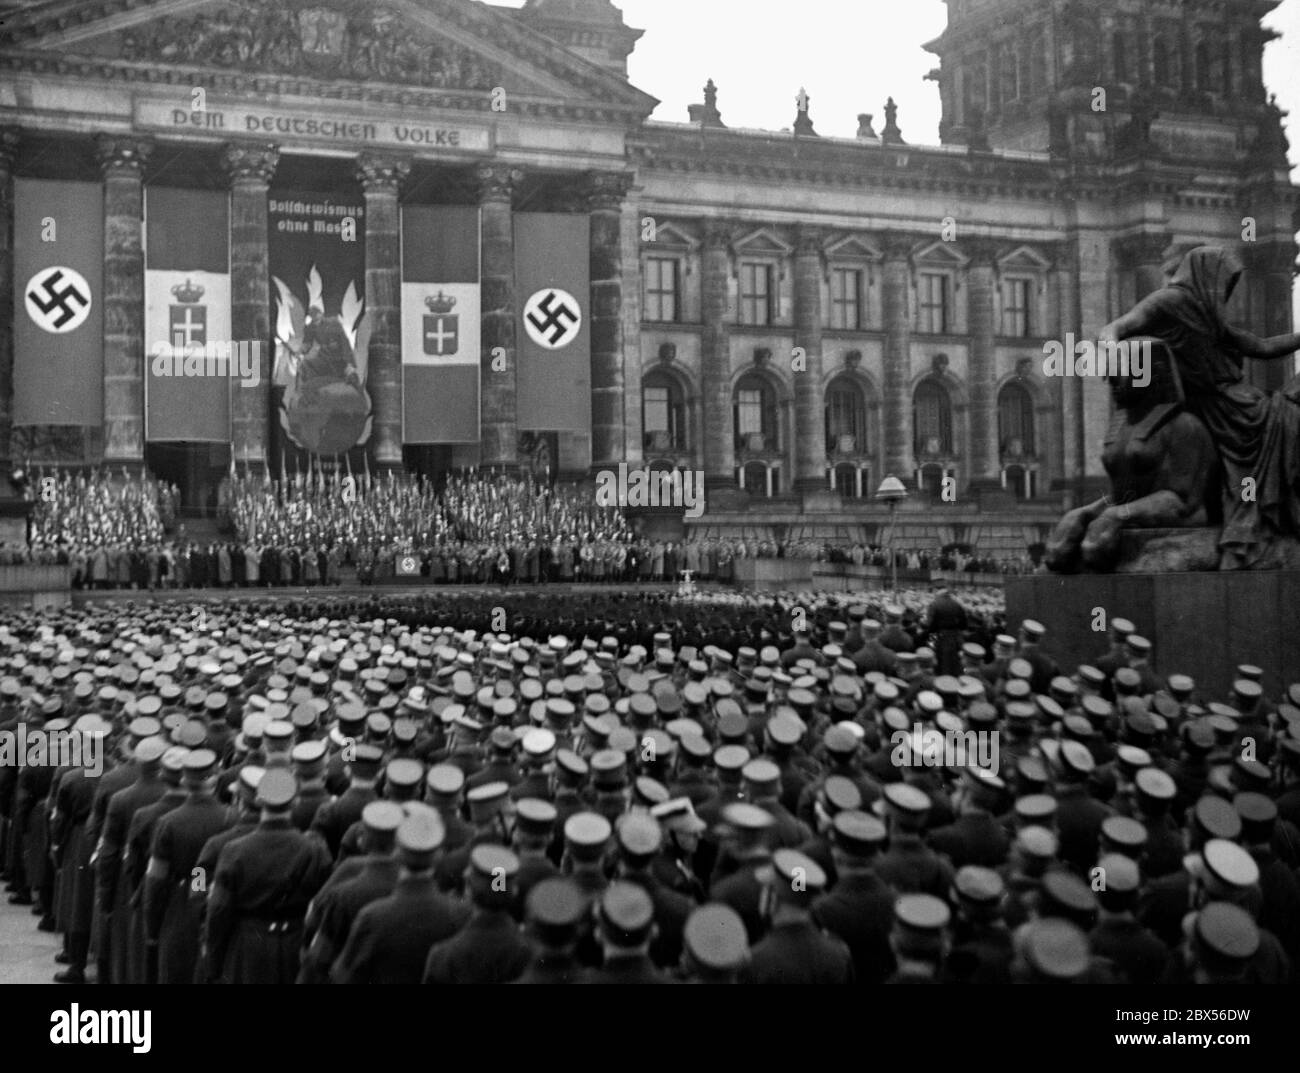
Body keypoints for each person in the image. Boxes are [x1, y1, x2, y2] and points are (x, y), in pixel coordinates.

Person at [1098, 245, 1300, 569]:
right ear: (1206, 275)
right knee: (1284, 418)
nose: (1225, 291)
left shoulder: (1210, 318)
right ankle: (1254, 526)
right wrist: (1114, 351)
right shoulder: (1171, 300)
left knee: (1282, 415)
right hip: (1223, 407)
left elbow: (1263, 347)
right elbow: (1115, 328)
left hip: (1233, 403)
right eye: (1224, 282)